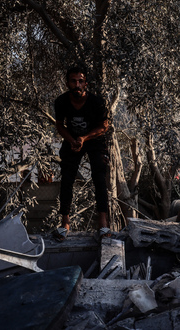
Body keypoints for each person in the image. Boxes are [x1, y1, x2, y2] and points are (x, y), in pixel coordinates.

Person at [54, 66, 111, 241]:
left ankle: (103, 225)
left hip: (93, 140)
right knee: (67, 179)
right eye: (73, 81)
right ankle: (65, 224)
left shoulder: (97, 102)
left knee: (99, 177)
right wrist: (72, 140)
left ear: (86, 83)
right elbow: (59, 125)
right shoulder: (61, 102)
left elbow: (104, 126)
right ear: (67, 83)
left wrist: (84, 138)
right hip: (72, 140)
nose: (77, 84)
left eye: (80, 81)